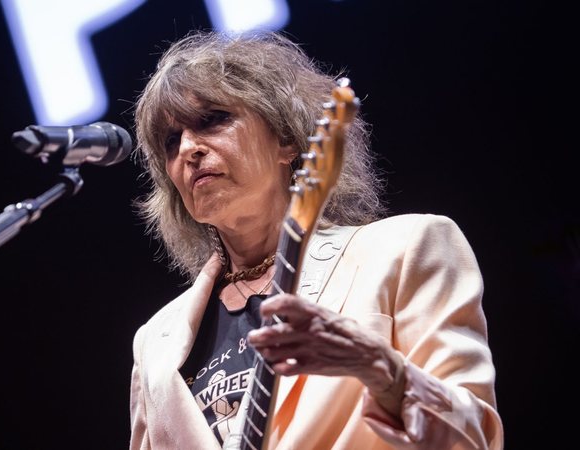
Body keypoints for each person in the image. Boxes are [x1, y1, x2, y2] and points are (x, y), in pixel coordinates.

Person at [127, 29, 503, 449]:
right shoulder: (154, 341)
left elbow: (473, 438)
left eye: (212, 119)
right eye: (171, 141)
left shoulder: (406, 248)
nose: (189, 149)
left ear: (286, 140)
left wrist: (384, 371)